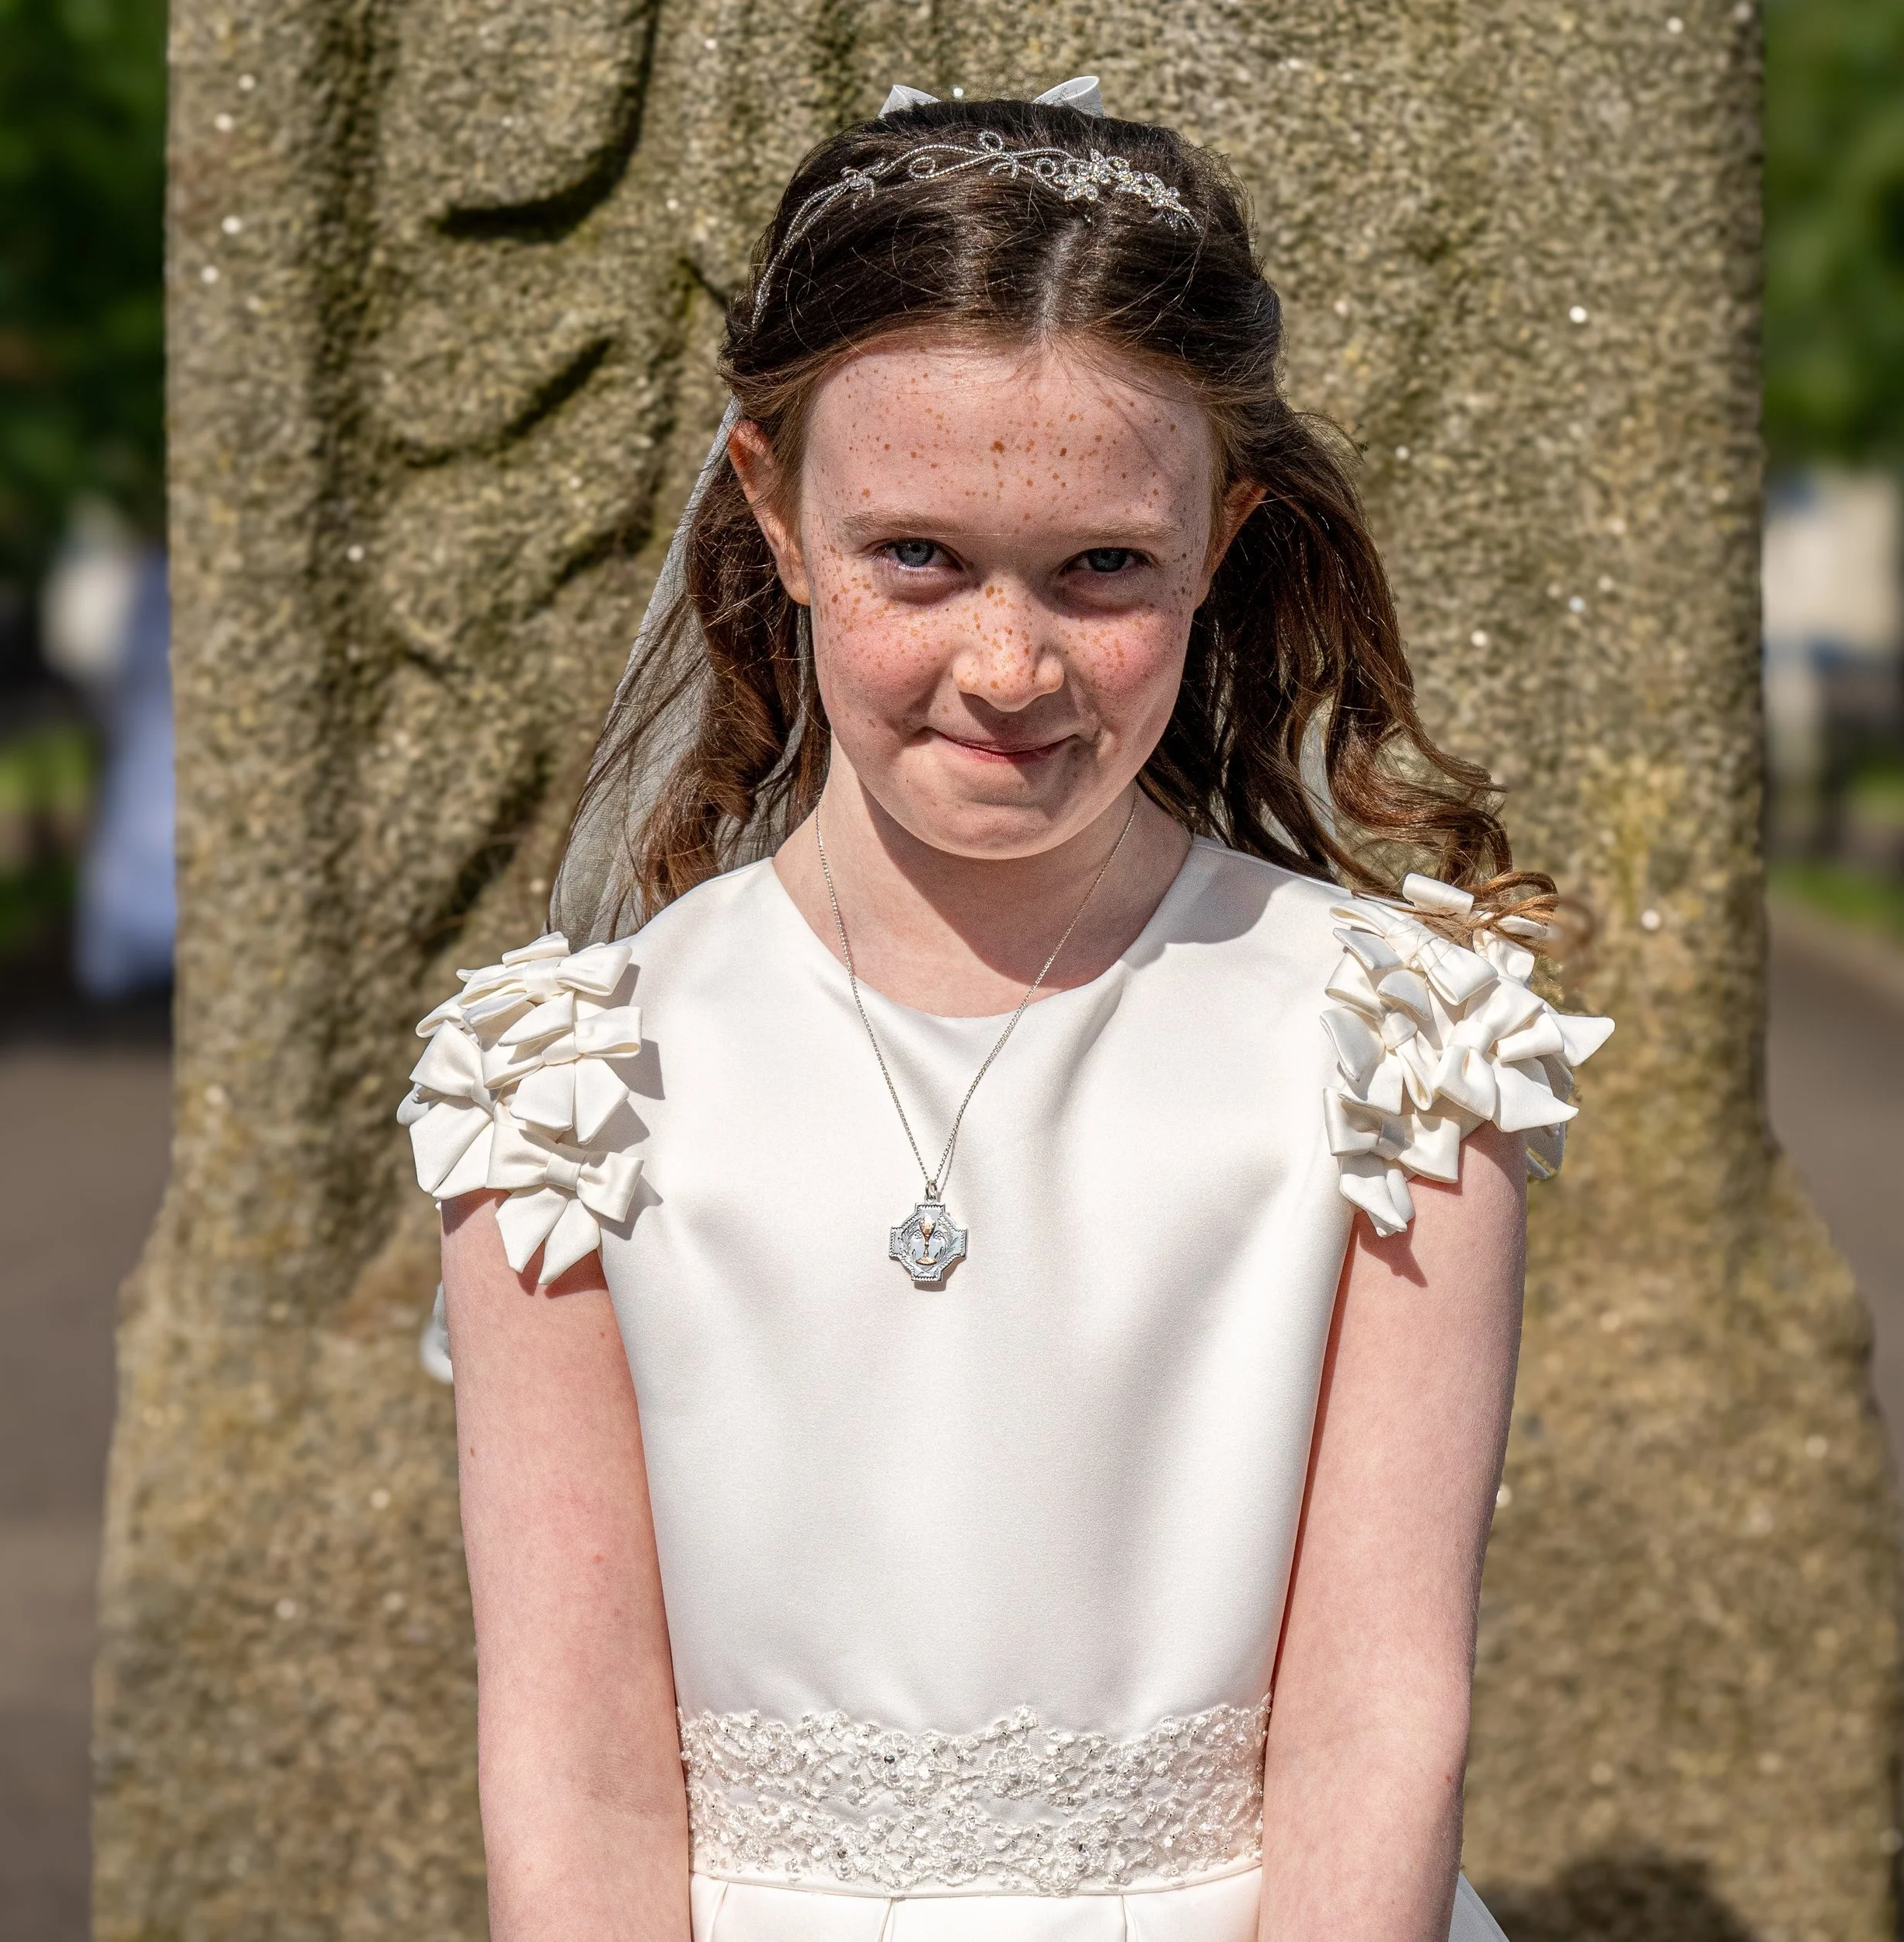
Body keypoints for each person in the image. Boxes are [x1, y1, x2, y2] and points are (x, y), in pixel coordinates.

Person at [401, 80, 1612, 1942]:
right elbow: (573, 1756)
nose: (1004, 662)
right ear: (771, 508)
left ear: (1220, 538)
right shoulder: (565, 1083)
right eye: (917, 557)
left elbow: (1379, 1715)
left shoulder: (1393, 1045)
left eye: (1101, 568)